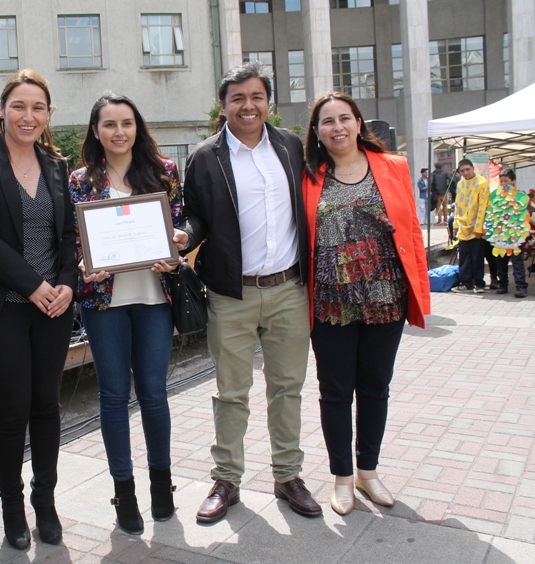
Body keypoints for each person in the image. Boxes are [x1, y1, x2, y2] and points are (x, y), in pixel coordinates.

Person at [178, 61, 321, 523]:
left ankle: (288, 475)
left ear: (268, 102)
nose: (248, 105)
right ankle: (227, 479)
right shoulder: (204, 157)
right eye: (237, 98)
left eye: (256, 96)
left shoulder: (291, 147)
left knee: (287, 387)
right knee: (231, 391)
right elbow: (197, 216)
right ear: (223, 106)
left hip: (288, 290)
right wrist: (185, 236)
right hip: (230, 294)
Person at [0, 69, 77, 550]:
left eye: (38, 107)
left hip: (54, 307)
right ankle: (12, 506)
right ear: (2, 109)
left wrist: (64, 283)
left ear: (48, 116)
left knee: (47, 406)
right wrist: (33, 286)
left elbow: (66, 234)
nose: (29, 116)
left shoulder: (56, 166)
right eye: (19, 106)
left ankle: (45, 502)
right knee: (12, 409)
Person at [302, 91, 430, 516]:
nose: (337, 127)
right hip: (331, 303)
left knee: (375, 387)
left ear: (359, 123)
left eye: (345, 118)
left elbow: (411, 230)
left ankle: (368, 472)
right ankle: (341, 476)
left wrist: (421, 293)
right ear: (317, 132)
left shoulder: (393, 166)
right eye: (327, 121)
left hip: (384, 298)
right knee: (335, 391)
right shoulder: (307, 175)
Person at [69, 93, 185, 535]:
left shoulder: (163, 172)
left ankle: (161, 483)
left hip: (154, 297)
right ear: (95, 130)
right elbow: (73, 238)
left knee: (154, 394)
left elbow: (180, 223)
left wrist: (176, 249)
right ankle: (125, 489)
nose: (119, 132)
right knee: (114, 396)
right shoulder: (80, 180)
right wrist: (84, 264)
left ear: (138, 126)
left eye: (126, 122)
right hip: (105, 302)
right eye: (109, 124)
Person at [451, 159, 490, 293]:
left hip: (476, 227)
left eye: (468, 169)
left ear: (473, 168)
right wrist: (455, 224)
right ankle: (466, 282)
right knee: (464, 257)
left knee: (477, 257)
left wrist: (479, 228)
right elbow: (458, 205)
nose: (465, 173)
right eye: (462, 171)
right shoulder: (460, 183)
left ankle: (479, 283)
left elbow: (482, 207)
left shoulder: (482, 183)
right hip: (463, 227)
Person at [493, 169, 529, 298]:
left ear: (513, 181)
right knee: (501, 261)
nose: (503, 184)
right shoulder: (497, 196)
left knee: (516, 261)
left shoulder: (520, 195)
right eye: (501, 181)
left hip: (515, 235)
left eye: (506, 181)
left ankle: (521, 286)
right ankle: (503, 284)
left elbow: (524, 214)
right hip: (501, 234)